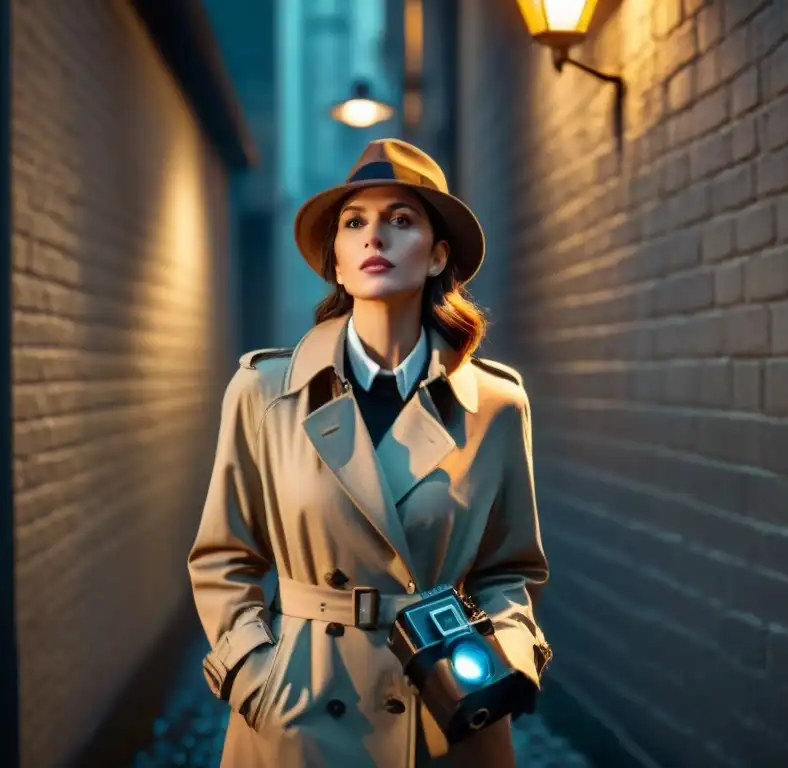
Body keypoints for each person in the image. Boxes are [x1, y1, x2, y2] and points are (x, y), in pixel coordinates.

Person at [188, 138, 551, 767]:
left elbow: (510, 571)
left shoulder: (493, 404)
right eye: (354, 222)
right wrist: (258, 680)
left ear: (438, 257)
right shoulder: (266, 393)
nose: (373, 237)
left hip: (445, 718)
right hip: (300, 716)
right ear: (335, 258)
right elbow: (224, 559)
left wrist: (503, 662)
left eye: (400, 220)